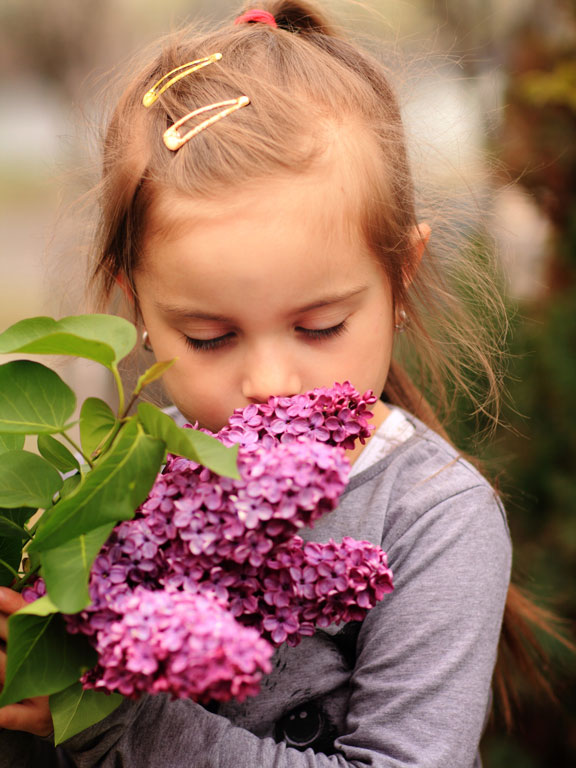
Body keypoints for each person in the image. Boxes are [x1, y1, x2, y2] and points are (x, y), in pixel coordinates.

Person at [0, 2, 557, 765]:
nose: (268, 381)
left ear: (401, 277)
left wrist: (108, 718)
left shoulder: (432, 519)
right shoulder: (107, 476)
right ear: (138, 309)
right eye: (210, 337)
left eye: (319, 327)